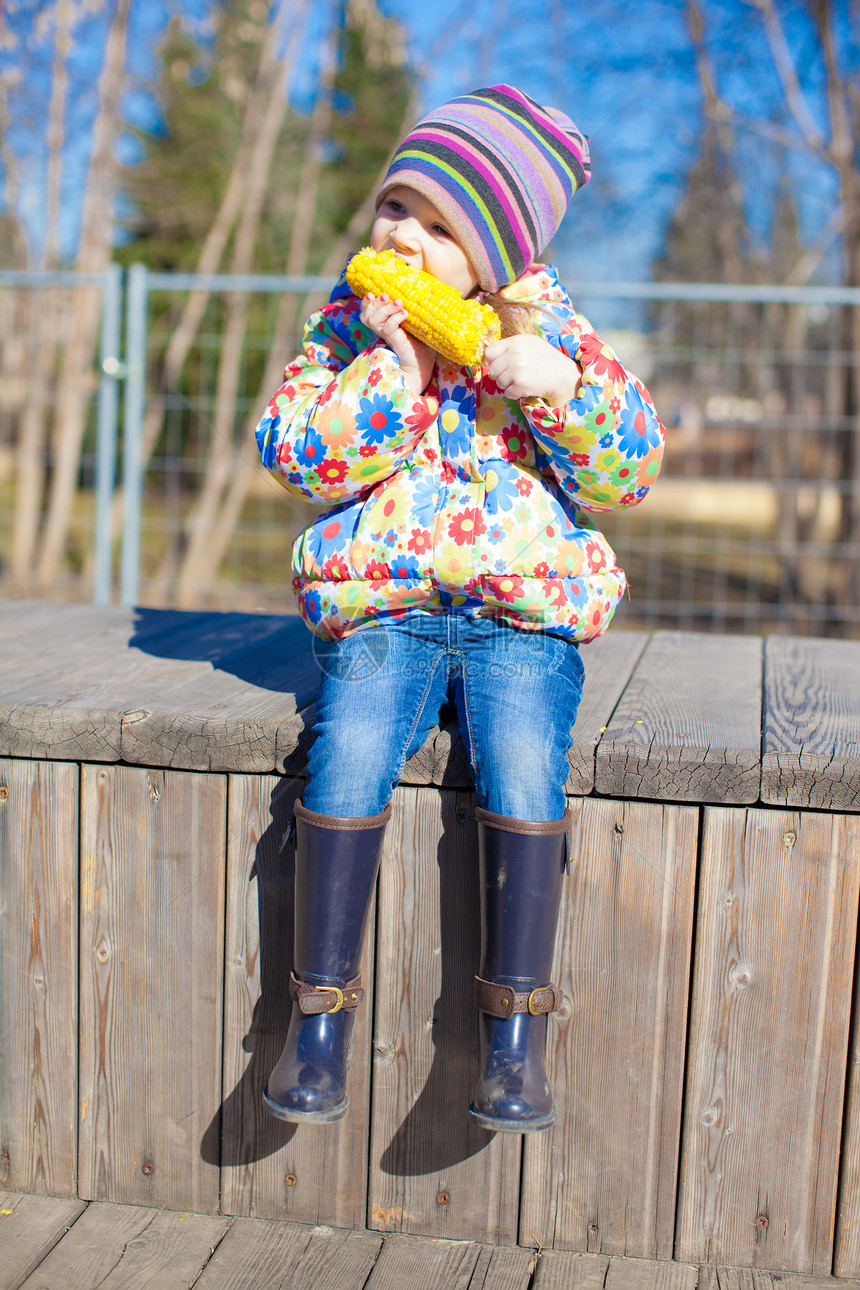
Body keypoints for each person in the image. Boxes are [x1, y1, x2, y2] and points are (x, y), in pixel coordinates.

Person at [254, 84, 665, 1132]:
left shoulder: (550, 334)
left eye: (440, 225)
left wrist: (559, 391)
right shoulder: (346, 332)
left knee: (525, 765)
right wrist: (390, 377)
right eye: (396, 206)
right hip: (386, 608)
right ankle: (317, 1015)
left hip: (516, 618)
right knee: (344, 751)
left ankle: (513, 1033)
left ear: (495, 253)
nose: (405, 235)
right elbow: (292, 454)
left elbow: (630, 471)